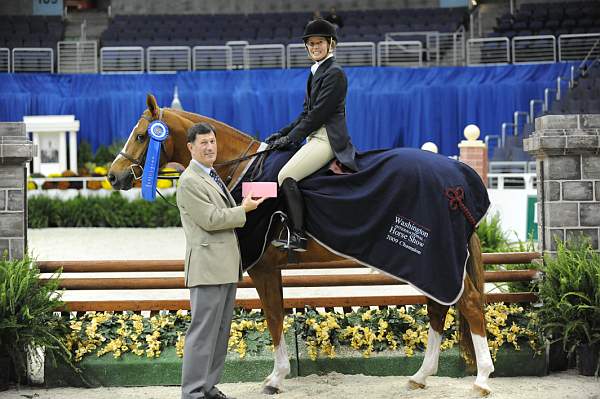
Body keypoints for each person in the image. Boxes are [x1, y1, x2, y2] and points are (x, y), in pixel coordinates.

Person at [177, 122, 266, 399]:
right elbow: (211, 219)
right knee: (203, 334)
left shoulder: (211, 174)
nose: (209, 147)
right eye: (203, 143)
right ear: (190, 148)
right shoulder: (190, 180)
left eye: (212, 142)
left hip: (224, 266)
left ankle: (208, 387)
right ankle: (192, 392)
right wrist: (244, 209)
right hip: (207, 268)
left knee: (219, 334)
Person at [266, 19, 358, 252]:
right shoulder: (315, 73)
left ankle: (298, 235)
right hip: (314, 136)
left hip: (327, 138)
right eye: (311, 44)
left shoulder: (334, 73)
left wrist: (291, 139)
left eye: (319, 43)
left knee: (286, 176)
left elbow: (317, 115)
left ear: (331, 45)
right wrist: (282, 133)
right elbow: (305, 113)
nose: (315, 47)